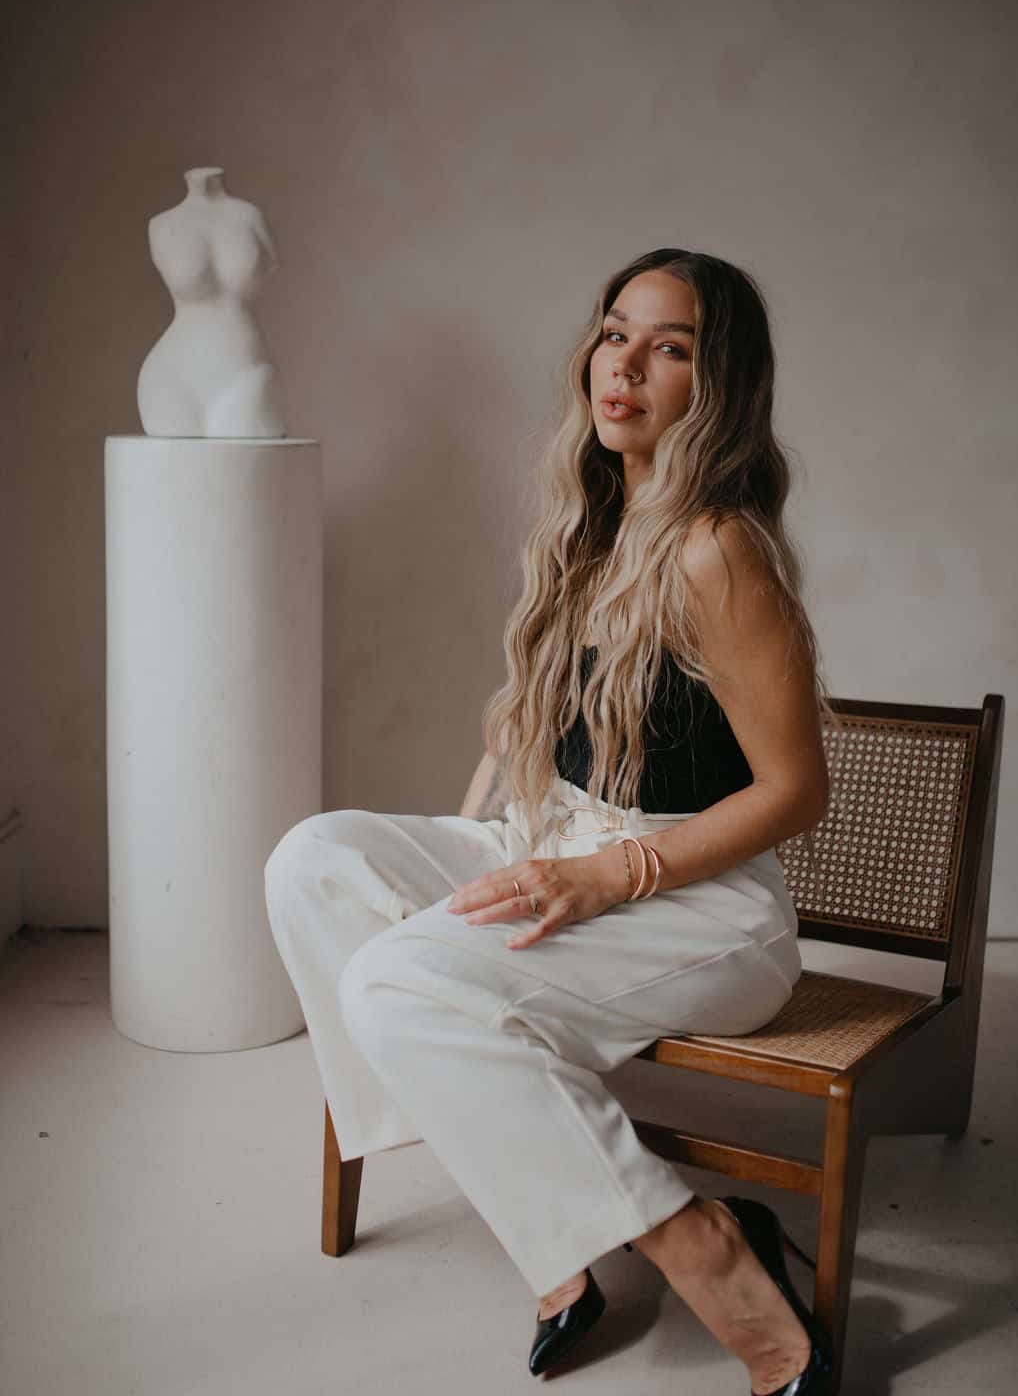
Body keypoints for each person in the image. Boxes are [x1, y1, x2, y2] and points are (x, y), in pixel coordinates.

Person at [265, 247, 834, 1394]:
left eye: (668, 347)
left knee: (391, 985)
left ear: (714, 385)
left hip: (697, 902)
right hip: (561, 843)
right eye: (614, 330)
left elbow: (795, 792)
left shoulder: (716, 549)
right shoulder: (591, 520)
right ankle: (559, 1233)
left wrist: (609, 877)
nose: (622, 364)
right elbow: (537, 747)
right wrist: (500, 852)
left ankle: (708, 1253)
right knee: (312, 861)